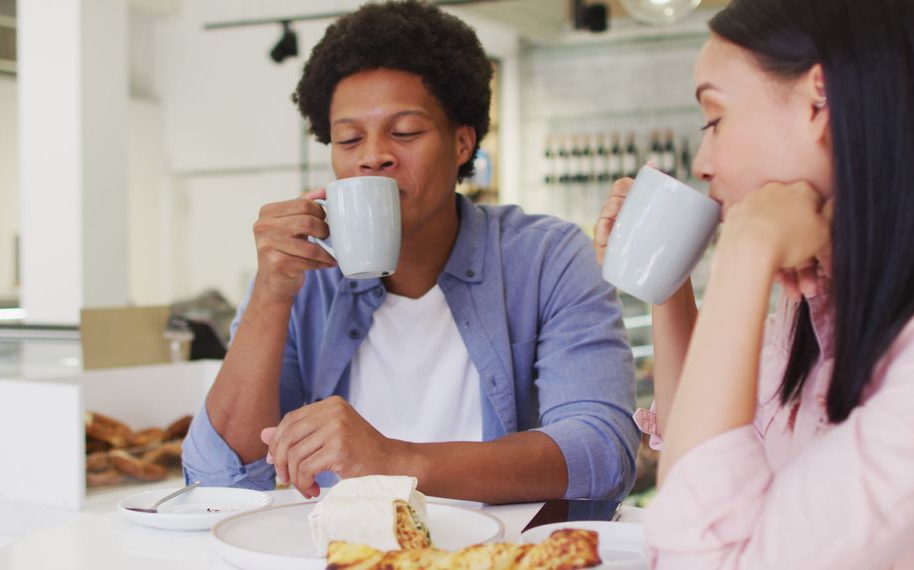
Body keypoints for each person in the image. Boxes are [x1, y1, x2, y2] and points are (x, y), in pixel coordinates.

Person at [182, 0, 641, 504]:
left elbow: (603, 451)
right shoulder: (306, 274)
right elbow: (217, 481)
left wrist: (393, 461)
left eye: (404, 132)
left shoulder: (546, 258)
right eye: (349, 138)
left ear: (462, 143)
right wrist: (271, 292)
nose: (373, 155)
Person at [594, 0, 914, 566]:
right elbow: (703, 445)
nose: (704, 161)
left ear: (820, 99)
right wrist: (668, 268)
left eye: (715, 119)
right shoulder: (817, 300)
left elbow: (698, 555)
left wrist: (744, 252)